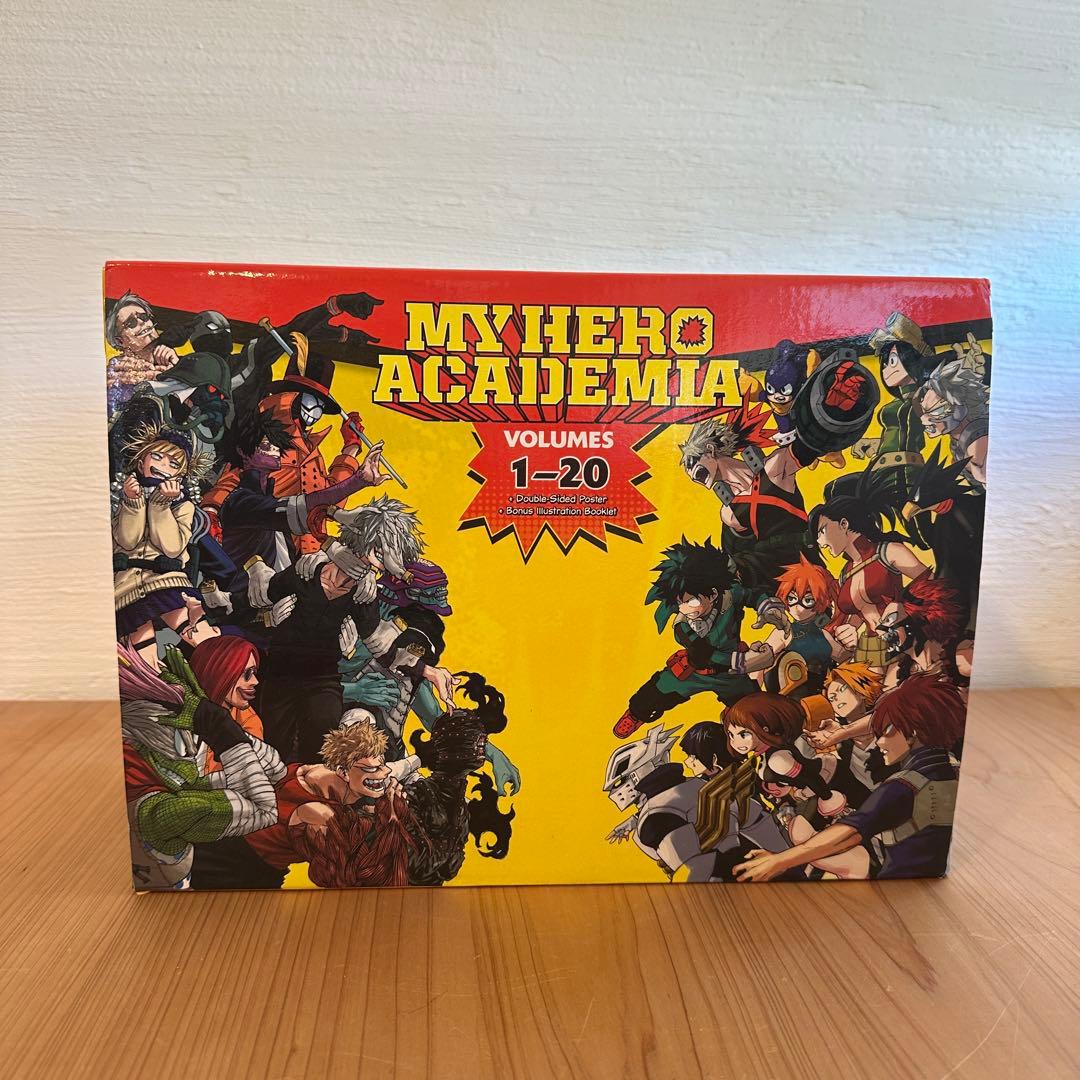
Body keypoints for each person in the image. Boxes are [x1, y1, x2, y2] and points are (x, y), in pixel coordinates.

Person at [734, 673, 964, 881]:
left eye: (885, 732)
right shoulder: (951, 768)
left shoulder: (905, 786)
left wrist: (779, 861)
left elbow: (848, 833)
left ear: (912, 731)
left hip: (896, 885)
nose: (880, 742)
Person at [120, 644, 285, 890]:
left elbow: (276, 771)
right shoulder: (165, 811)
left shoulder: (170, 773)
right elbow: (266, 810)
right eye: (246, 673)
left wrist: (221, 727)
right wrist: (222, 730)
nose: (256, 682)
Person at [614, 538, 779, 738]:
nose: (685, 609)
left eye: (691, 601)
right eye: (680, 603)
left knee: (754, 709)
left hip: (730, 678)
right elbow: (704, 656)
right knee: (651, 695)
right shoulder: (682, 626)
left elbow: (751, 595)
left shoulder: (730, 596)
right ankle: (635, 714)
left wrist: (768, 608)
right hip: (693, 672)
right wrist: (744, 662)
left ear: (713, 594)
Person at [112, 423, 216, 666]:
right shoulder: (122, 499)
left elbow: (172, 547)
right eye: (157, 457)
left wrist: (160, 504)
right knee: (144, 661)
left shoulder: (183, 505)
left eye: (173, 464)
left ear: (180, 476)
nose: (162, 466)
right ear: (141, 463)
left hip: (167, 582)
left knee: (202, 637)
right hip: (126, 589)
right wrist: (133, 503)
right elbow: (127, 540)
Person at [811, 468, 931, 668]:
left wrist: (902, 607)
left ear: (844, 524)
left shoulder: (889, 552)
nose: (820, 542)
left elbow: (934, 587)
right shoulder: (845, 574)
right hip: (869, 652)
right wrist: (849, 631)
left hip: (907, 645)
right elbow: (859, 613)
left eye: (822, 531)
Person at [754, 554, 851, 698]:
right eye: (791, 598)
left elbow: (846, 661)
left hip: (822, 701)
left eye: (808, 600)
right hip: (789, 700)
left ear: (822, 601)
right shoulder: (784, 632)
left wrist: (852, 646)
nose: (798, 608)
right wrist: (754, 697)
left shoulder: (824, 635)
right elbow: (759, 664)